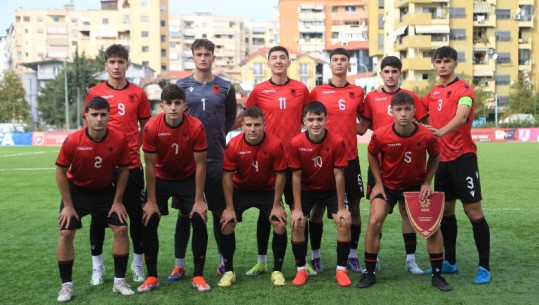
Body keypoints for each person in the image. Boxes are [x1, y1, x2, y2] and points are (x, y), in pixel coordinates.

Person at [356, 92, 452, 291]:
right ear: (391, 111)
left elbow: (435, 157)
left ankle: (437, 275)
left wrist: (427, 182)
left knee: (433, 226)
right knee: (374, 221)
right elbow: (372, 155)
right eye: (398, 110)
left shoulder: (426, 135)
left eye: (407, 109)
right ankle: (370, 272)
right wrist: (378, 184)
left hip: (416, 186)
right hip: (388, 185)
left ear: (414, 111)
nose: (403, 114)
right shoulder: (380, 134)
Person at [235, 45, 311, 276]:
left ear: (289, 63)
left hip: (296, 159)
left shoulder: (301, 89)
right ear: (268, 63)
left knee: (300, 210)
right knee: (266, 211)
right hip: (268, 160)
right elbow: (245, 118)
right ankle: (262, 261)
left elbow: (311, 117)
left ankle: (302, 260)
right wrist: (221, 129)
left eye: (282, 58)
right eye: (274, 58)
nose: (278, 61)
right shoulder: (259, 90)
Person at [420, 46, 491, 284]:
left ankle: (484, 267)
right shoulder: (433, 93)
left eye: (447, 61)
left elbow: (461, 117)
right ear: (433, 65)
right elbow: (416, 113)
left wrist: (440, 131)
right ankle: (450, 262)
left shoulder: (464, 89)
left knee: (473, 212)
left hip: (463, 160)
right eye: (438, 61)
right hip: (441, 162)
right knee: (447, 212)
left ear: (455, 64)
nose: (442, 65)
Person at [55, 97, 135, 302]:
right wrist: (68, 206)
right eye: (94, 115)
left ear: (109, 116)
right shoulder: (73, 140)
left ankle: (119, 282)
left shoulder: (118, 139)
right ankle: (66, 286)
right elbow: (60, 172)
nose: (99, 119)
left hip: (105, 191)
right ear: (86, 116)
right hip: (77, 192)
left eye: (103, 115)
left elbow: (124, 170)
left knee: (121, 229)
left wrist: (118, 201)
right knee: (65, 232)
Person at [170, 38, 237, 280]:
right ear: (192, 56)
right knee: (184, 214)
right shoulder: (181, 85)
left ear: (213, 57)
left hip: (217, 158)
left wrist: (218, 135)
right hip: (187, 163)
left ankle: (223, 261)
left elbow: (230, 118)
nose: (203, 57)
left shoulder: (226, 87)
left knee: (220, 213)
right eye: (198, 53)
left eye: (207, 53)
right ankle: (179, 264)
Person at [85, 44, 151, 285]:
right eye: (112, 62)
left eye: (120, 62)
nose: (116, 66)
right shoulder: (94, 93)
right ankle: (98, 268)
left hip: (131, 165)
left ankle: (138, 264)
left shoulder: (138, 93)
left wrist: (135, 147)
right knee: (98, 217)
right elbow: (88, 127)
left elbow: (146, 126)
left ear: (127, 65)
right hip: (103, 166)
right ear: (106, 65)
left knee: (136, 215)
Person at [136, 85, 210, 292]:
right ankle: (151, 276)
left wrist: (198, 201)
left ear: (185, 105)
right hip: (161, 178)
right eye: (168, 104)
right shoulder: (151, 128)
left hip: (187, 177)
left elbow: (200, 165)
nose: (173, 108)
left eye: (177, 103)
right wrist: (150, 201)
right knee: (148, 218)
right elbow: (149, 165)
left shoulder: (196, 127)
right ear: (162, 106)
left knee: (198, 217)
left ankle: (198, 275)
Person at [356, 56, 425, 274]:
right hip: (380, 165)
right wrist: (337, 119)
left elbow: (424, 127)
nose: (391, 76)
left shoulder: (411, 97)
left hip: (408, 165)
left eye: (395, 72)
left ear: (400, 74)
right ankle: (373, 260)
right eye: (387, 71)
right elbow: (361, 127)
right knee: (377, 216)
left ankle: (411, 260)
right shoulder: (372, 97)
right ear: (381, 74)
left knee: (408, 213)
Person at [218, 106, 288, 288]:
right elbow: (227, 176)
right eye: (248, 125)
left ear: (264, 125)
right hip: (241, 189)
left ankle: (277, 271)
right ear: (242, 126)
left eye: (257, 125)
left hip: (267, 190)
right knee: (226, 223)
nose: (253, 129)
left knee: (279, 222)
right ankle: (228, 271)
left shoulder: (275, 144)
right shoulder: (233, 144)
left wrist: (277, 204)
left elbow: (281, 175)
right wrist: (229, 207)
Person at [309, 48, 365, 274]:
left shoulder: (358, 91)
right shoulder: (318, 91)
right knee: (319, 208)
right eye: (335, 60)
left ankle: (352, 255)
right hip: (323, 160)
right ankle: (315, 256)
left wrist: (352, 131)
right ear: (330, 65)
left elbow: (365, 119)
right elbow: (310, 120)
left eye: (343, 60)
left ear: (349, 65)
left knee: (355, 208)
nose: (339, 63)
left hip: (350, 158)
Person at [288, 101, 352, 287]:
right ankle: (301, 270)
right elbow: (296, 177)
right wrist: (298, 208)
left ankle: (341, 270)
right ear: (304, 121)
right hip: (307, 189)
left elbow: (339, 175)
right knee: (298, 223)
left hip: (331, 188)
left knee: (344, 221)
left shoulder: (337, 141)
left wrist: (341, 208)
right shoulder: (296, 143)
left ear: (326, 120)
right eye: (310, 120)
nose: (315, 123)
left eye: (319, 119)